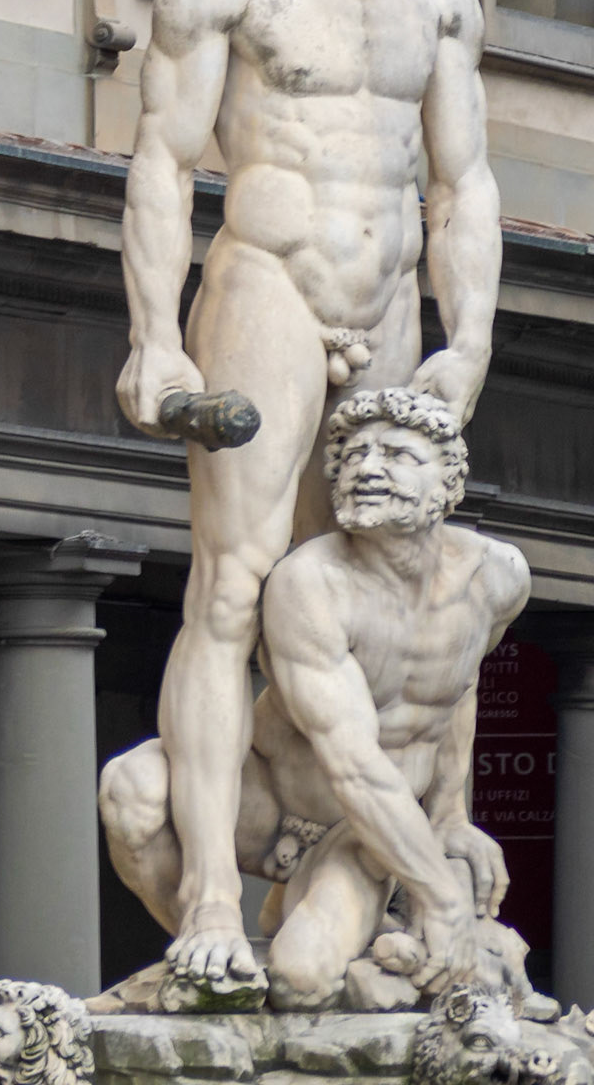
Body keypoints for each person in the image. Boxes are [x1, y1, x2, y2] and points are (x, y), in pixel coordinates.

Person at [114, 0, 502, 987]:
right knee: (231, 589)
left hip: (392, 299)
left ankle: (392, 865)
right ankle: (217, 895)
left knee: (392, 579)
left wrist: (471, 340)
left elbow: (465, 183)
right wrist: (155, 342)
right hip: (269, 285)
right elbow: (165, 163)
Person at [99, 389, 530, 1003]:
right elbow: (351, 762)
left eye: (398, 455)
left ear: (450, 481)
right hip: (269, 803)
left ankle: (321, 948)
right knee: (132, 785)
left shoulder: (498, 576)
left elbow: (459, 685)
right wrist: (440, 895)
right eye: (354, 455)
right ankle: (221, 968)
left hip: (365, 831)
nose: (369, 468)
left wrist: (449, 814)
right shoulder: (310, 583)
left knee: (303, 980)